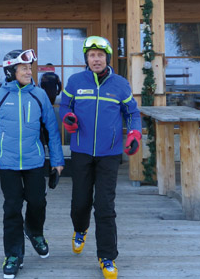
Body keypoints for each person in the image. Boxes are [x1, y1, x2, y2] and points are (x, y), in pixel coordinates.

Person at [0, 49, 65, 279]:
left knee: (38, 202)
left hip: (35, 161)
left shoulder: (39, 95)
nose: (28, 71)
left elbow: (52, 130)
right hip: (9, 163)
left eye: (29, 68)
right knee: (12, 208)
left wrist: (57, 162)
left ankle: (34, 231)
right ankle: (13, 254)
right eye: (23, 68)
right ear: (10, 71)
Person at [60, 35, 142, 279]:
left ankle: (107, 258)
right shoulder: (75, 81)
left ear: (107, 58)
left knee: (105, 206)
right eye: (91, 55)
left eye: (100, 55)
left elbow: (132, 113)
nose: (96, 59)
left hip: (110, 153)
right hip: (81, 151)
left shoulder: (120, 84)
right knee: (80, 201)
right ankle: (80, 229)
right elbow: (65, 106)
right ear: (86, 59)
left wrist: (134, 134)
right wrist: (68, 120)